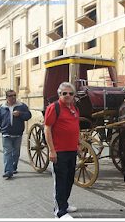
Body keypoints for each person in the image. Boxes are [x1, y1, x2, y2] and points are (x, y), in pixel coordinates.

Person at [44, 82, 82, 219]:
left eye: (70, 93)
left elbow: (76, 127)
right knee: (60, 181)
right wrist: (51, 151)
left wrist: (78, 144)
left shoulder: (74, 108)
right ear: (59, 94)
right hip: (59, 151)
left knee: (69, 179)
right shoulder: (54, 108)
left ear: (74, 96)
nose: (67, 95)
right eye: (64, 93)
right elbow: (47, 129)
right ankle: (59, 212)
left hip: (71, 150)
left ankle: (64, 204)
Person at [0, 90, 32, 179]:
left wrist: (20, 114)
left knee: (16, 152)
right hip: (6, 133)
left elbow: (28, 116)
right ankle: (8, 171)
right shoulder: (1, 108)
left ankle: (13, 167)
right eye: (11, 96)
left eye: (14, 95)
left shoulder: (22, 106)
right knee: (7, 152)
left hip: (18, 133)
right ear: (7, 97)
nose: (13, 97)